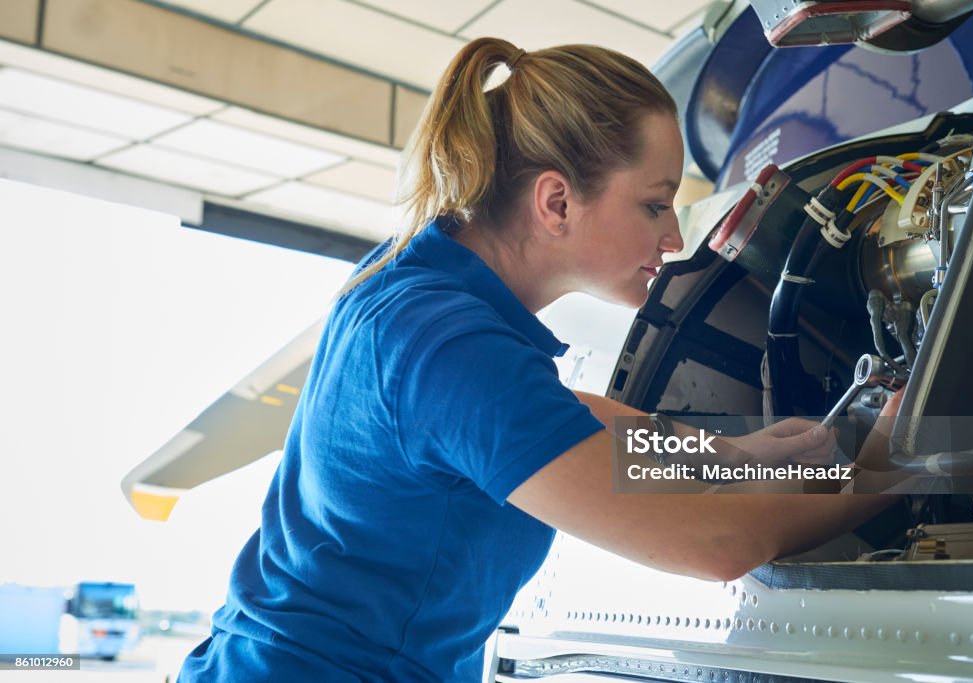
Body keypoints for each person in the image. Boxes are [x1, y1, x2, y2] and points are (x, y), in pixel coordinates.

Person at [178, 37, 898, 682]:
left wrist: (728, 455)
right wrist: (888, 471)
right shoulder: (449, 347)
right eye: (655, 205)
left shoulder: (411, 286)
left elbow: (559, 422)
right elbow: (714, 543)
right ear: (556, 201)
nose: (676, 236)